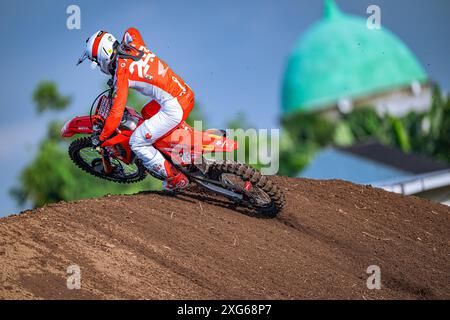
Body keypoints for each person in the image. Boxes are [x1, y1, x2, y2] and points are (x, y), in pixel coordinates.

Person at [77, 28, 194, 190]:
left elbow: (117, 113)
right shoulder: (134, 43)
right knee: (147, 112)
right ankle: (184, 140)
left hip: (175, 106)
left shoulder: (122, 74)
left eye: (97, 62)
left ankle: (176, 178)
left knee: (137, 142)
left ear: (103, 56)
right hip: (185, 92)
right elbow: (131, 30)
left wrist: (102, 138)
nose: (99, 66)